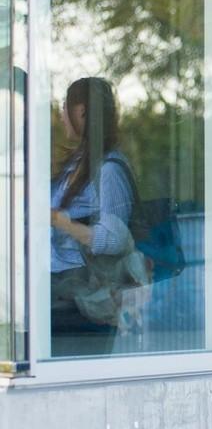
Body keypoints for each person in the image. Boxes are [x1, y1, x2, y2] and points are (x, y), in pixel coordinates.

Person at [49, 77, 139, 357]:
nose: (61, 115)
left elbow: (116, 238)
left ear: (82, 112)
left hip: (84, 297)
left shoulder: (109, 169)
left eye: (66, 107)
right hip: (60, 288)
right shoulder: (76, 163)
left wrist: (66, 225)